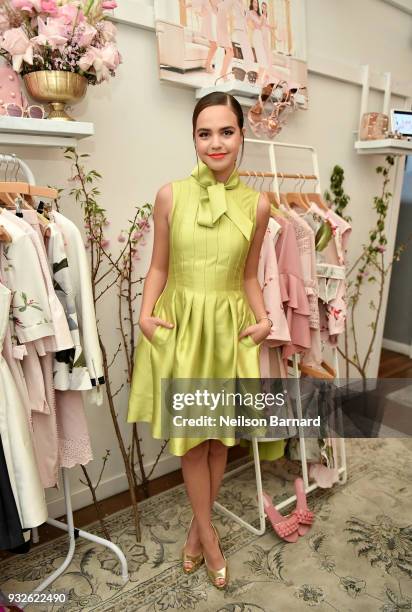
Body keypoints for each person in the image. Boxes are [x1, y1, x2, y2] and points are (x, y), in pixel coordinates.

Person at [127, 92, 272, 589]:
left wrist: (265, 318)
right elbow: (159, 266)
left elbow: (251, 276)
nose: (215, 142)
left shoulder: (259, 205)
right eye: (204, 133)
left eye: (226, 131)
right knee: (193, 442)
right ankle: (210, 539)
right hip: (182, 327)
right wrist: (145, 314)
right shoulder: (170, 195)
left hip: (229, 329)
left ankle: (196, 530)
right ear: (193, 138)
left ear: (241, 136)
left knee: (217, 444)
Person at [248, 0, 268, 84]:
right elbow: (256, 25)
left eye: (257, 3)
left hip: (260, 36)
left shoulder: (258, 14)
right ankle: (259, 80)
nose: (256, 4)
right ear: (252, 3)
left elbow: (262, 25)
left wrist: (263, 15)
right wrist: (253, 28)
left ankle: (259, 80)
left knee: (263, 60)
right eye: (254, 2)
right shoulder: (251, 12)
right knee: (262, 59)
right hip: (257, 35)